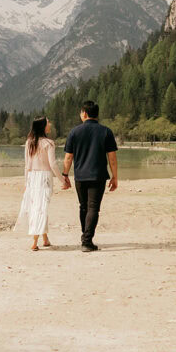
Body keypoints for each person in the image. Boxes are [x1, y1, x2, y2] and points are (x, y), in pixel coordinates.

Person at [62, 100, 118, 252]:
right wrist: (115, 177)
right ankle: (87, 240)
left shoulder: (74, 132)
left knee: (84, 207)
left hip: (80, 176)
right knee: (93, 208)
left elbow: (68, 158)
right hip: (98, 176)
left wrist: (65, 175)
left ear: (84, 113)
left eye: (81, 112)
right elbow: (112, 158)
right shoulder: (106, 131)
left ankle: (85, 237)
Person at [15, 117, 68, 251]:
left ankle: (45, 239)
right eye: (48, 122)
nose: (50, 124)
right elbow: (53, 164)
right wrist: (63, 180)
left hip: (32, 177)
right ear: (43, 126)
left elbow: (27, 165)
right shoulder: (49, 143)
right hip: (44, 177)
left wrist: (26, 182)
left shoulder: (29, 142)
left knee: (38, 207)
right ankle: (34, 241)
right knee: (41, 208)